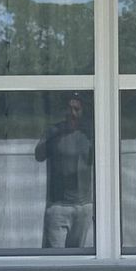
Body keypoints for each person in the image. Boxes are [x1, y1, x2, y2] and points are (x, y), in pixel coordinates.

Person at [34, 93, 93, 249]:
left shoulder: (89, 134)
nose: (72, 113)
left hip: (83, 205)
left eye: (76, 109)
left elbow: (105, 163)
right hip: (58, 206)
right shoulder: (54, 132)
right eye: (69, 109)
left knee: (77, 258)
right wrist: (54, 135)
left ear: (82, 111)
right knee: (55, 259)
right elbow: (38, 155)